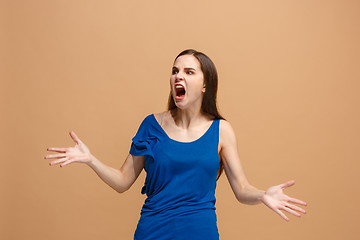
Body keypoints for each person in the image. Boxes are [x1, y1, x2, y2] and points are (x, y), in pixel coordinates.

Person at [45, 49, 307, 239]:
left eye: (188, 71)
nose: (178, 76)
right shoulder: (151, 125)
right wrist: (91, 160)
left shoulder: (221, 130)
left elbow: (242, 189)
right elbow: (123, 181)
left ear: (205, 84)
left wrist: (262, 195)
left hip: (200, 233)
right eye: (174, 71)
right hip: (153, 232)